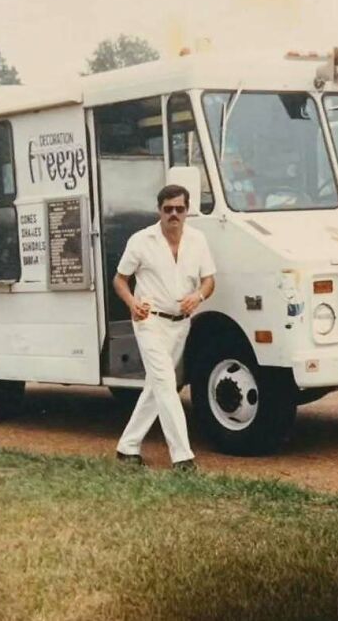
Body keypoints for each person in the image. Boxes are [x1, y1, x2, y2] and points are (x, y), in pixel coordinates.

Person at [113, 184, 216, 470]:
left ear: (187, 210)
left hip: (180, 325)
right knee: (167, 384)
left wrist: (198, 296)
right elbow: (119, 280)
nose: (174, 214)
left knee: (156, 386)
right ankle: (182, 456)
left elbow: (209, 280)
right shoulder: (141, 240)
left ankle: (127, 446)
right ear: (159, 210)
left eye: (179, 209)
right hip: (150, 322)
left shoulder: (198, 240)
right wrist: (133, 303)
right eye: (168, 209)